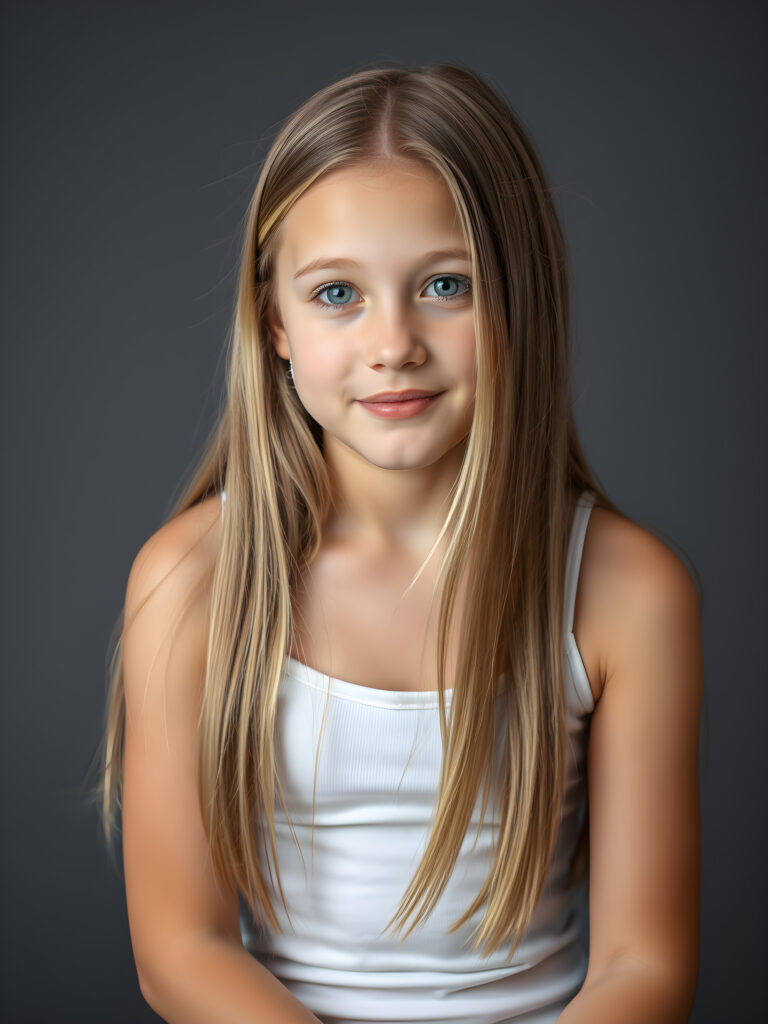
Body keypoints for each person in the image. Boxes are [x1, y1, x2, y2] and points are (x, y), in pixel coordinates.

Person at [89, 62, 703, 1023]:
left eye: (446, 285)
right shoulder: (190, 579)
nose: (394, 343)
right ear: (275, 324)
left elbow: (644, 965)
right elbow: (181, 949)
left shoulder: (625, 590)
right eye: (338, 295)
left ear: (520, 302)